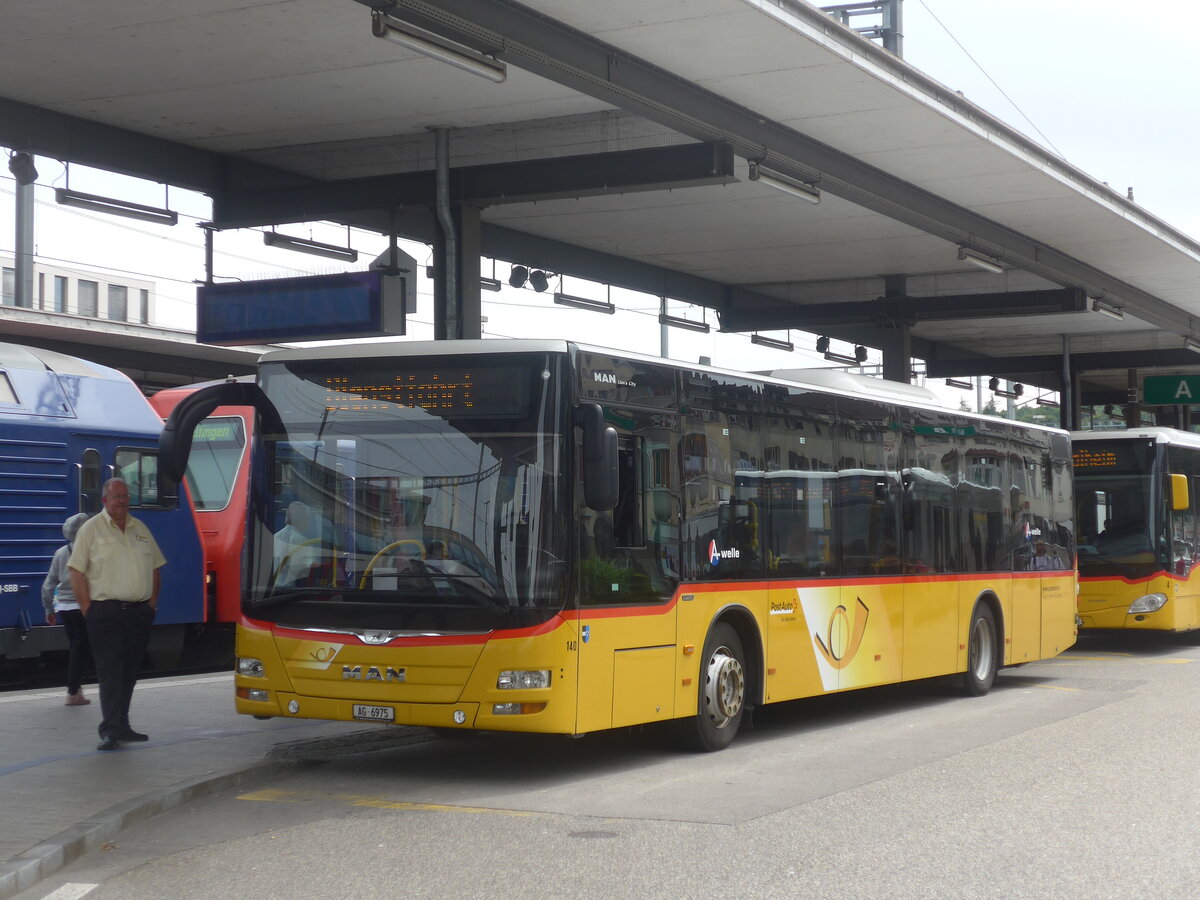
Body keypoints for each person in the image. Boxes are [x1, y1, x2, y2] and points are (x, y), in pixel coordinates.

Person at [69, 478, 166, 752]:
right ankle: (109, 731)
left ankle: (122, 725)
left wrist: (152, 604)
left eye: (125, 496)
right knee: (111, 672)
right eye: (116, 496)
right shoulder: (90, 530)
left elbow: (156, 566)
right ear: (105, 501)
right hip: (105, 613)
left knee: (129, 672)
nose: (122, 500)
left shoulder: (141, 528)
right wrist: (88, 609)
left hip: (138, 613)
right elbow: (76, 572)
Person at [42, 513, 94, 706]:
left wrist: (49, 609)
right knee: (82, 649)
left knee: (76, 647)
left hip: (63, 607)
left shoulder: (60, 552)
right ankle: (72, 692)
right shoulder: (89, 552)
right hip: (81, 606)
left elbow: (48, 584)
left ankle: (77, 691)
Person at [273, 500, 316, 586]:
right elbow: (310, 567)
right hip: (292, 590)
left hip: (275, 590)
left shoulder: (275, 537)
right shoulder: (302, 540)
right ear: (300, 519)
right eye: (307, 518)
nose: (308, 522)